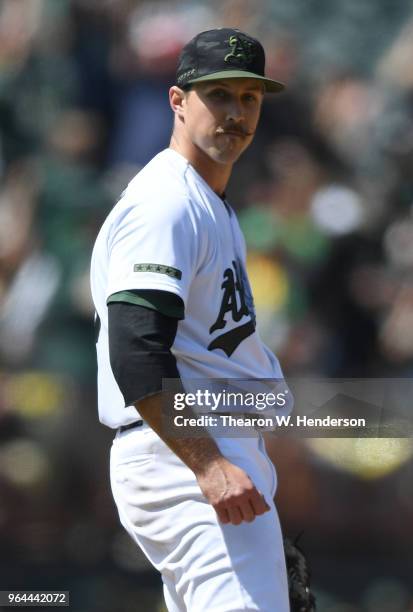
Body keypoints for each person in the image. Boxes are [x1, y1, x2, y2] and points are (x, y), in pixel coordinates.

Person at [90, 27, 291, 612]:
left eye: (248, 98)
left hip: (200, 453)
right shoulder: (167, 203)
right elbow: (134, 349)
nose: (235, 112)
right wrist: (208, 465)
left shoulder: (208, 201)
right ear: (178, 101)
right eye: (219, 95)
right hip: (186, 457)